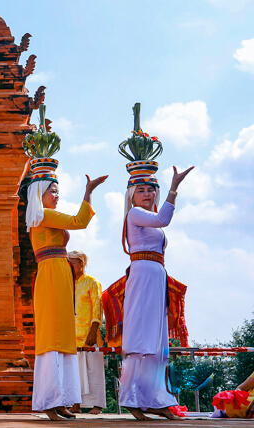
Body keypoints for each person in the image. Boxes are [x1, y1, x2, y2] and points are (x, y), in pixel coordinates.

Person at [22, 105, 107, 421]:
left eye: (58, 191)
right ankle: (49, 401)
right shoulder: (42, 215)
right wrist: (88, 192)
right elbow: (80, 221)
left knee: (61, 335)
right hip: (51, 276)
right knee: (52, 337)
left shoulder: (42, 216)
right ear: (40, 193)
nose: (56, 195)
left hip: (57, 275)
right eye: (52, 191)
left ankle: (61, 400)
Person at [115, 107, 193, 421]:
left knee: (156, 340)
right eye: (141, 190)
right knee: (142, 337)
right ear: (132, 195)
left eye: (151, 189)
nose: (147, 194)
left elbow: (161, 220)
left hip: (154, 275)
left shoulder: (150, 221)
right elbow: (164, 218)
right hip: (144, 274)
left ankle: (155, 397)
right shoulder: (137, 215)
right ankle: (135, 397)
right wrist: (174, 187)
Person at [67, 251, 106, 414]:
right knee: (74, 371)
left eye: (73, 264)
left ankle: (97, 405)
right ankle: (75, 403)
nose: (70, 267)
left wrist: (93, 330)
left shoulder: (92, 282)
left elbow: (97, 307)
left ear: (82, 264)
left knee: (93, 370)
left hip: (90, 334)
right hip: (72, 334)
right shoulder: (67, 283)